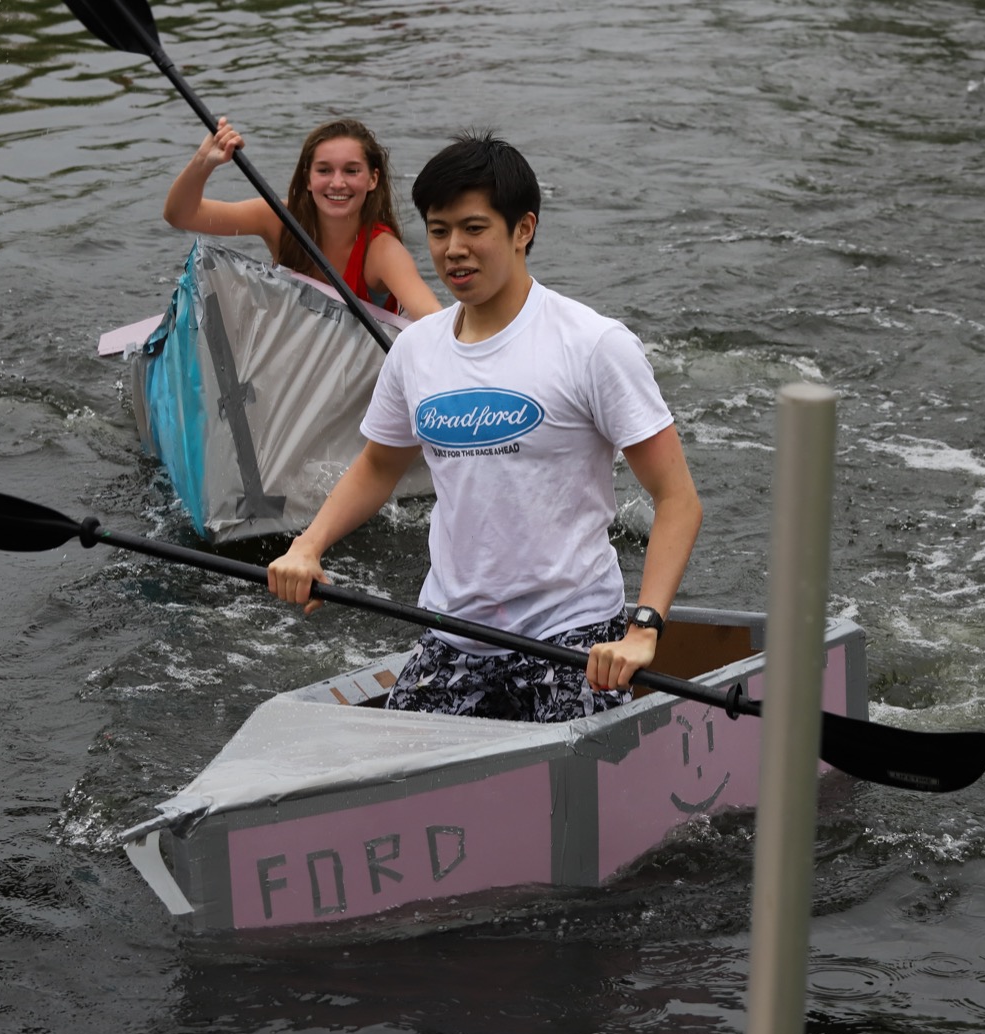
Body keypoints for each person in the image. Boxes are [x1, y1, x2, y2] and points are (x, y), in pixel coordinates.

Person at [266, 132, 702, 722]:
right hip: (453, 632)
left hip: (573, 636)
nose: (454, 250)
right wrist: (308, 545)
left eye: (474, 229)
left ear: (523, 229)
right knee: (399, 763)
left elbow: (677, 499)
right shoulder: (415, 350)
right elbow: (376, 467)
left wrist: (644, 628)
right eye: (439, 231)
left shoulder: (594, 344)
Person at [164, 116, 442, 319]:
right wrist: (203, 161)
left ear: (373, 179)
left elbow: (432, 317)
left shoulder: (382, 250)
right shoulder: (278, 220)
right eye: (324, 170)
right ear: (308, 178)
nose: (337, 183)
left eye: (351, 171)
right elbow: (181, 215)